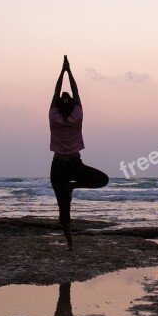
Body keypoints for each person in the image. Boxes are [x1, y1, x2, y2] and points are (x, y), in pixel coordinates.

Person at [49, 56, 109, 250]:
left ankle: (70, 245)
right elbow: (75, 91)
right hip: (74, 165)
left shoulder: (53, 116)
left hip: (59, 166)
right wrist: (69, 71)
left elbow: (56, 92)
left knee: (64, 208)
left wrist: (62, 72)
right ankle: (74, 186)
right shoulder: (77, 115)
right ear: (73, 105)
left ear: (58, 105)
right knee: (102, 180)